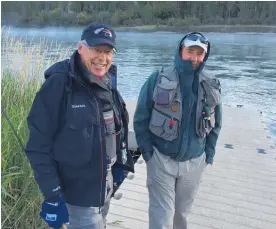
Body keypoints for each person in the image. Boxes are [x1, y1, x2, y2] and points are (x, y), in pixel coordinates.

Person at [25, 23, 133, 229]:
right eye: (96, 50)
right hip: (77, 198)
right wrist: (53, 195)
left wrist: (122, 165)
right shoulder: (59, 84)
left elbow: (117, 131)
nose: (102, 58)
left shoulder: (109, 82)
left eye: (108, 51)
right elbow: (38, 144)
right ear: (80, 48)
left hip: (105, 188)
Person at [133, 32, 222, 229]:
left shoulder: (212, 83)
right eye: (190, 51)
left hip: (195, 162)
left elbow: (217, 123)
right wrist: (148, 153)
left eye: (200, 53)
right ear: (180, 50)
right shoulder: (157, 78)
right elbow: (140, 118)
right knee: (161, 217)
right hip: (161, 160)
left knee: (181, 215)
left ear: (205, 55)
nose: (194, 58)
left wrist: (209, 154)